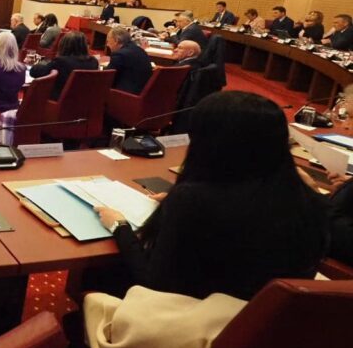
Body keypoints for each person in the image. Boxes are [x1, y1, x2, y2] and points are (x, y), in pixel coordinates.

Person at [95, 91, 327, 300]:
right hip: (266, 322)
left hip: (198, 320)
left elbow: (153, 281)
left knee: (98, 274)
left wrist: (119, 225)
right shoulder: (309, 199)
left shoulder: (194, 201)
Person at [29, 31, 98, 99]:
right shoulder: (94, 62)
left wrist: (40, 63)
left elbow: (34, 72)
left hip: (61, 101)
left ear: (64, 45)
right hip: (87, 100)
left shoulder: (61, 62)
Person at [106, 26, 153, 94]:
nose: (107, 45)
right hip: (143, 93)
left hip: (126, 95)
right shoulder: (140, 50)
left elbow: (107, 77)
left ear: (116, 40)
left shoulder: (119, 55)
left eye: (108, 41)